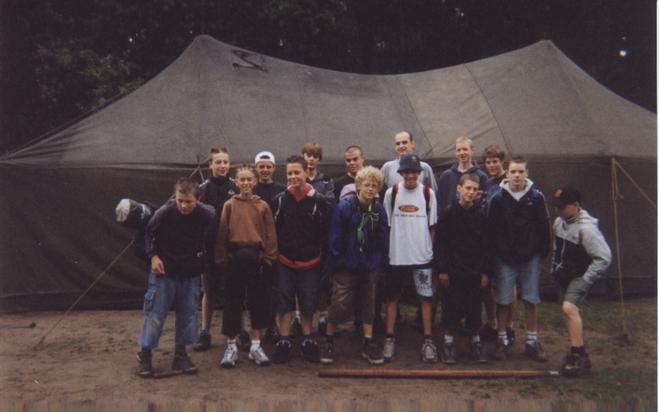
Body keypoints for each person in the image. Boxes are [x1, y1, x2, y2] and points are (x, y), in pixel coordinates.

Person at [136, 177, 215, 377]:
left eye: (189, 201)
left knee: (188, 315)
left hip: (190, 272)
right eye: (180, 200)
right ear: (175, 197)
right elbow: (149, 232)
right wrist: (153, 256)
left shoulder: (205, 214)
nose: (184, 206)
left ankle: (180, 355)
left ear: (198, 199)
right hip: (164, 272)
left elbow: (212, 230)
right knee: (155, 314)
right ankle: (145, 354)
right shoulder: (165, 211)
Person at [320, 166, 389, 365]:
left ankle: (368, 342)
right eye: (367, 184)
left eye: (374, 185)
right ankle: (328, 340)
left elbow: (383, 238)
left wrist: (378, 262)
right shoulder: (344, 207)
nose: (370, 188)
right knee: (339, 304)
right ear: (358, 186)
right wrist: (339, 263)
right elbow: (335, 238)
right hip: (346, 266)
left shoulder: (378, 210)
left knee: (369, 304)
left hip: (370, 266)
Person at [486, 156, 551, 362]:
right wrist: (497, 254)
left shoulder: (536, 197)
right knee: (503, 300)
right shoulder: (497, 198)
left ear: (527, 173)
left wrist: (540, 252)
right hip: (505, 259)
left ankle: (532, 341)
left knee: (530, 299)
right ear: (507, 173)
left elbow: (543, 226)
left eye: (520, 171)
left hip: (530, 258)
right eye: (513, 171)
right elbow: (491, 230)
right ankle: (502, 340)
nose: (516, 175)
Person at [216, 165, 278, 368]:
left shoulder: (262, 206)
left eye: (249, 179)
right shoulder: (229, 205)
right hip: (235, 259)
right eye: (241, 179)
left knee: (257, 301)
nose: (245, 183)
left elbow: (270, 234)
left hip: (256, 259)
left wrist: (268, 258)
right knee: (232, 302)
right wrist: (223, 258)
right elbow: (222, 233)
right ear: (236, 182)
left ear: (255, 181)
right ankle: (231, 346)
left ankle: (256, 346)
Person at [272, 155, 330, 363]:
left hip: (311, 263)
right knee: (284, 302)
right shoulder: (279, 200)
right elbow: (273, 231)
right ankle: (284, 340)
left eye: (297, 172)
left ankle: (307, 338)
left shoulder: (319, 201)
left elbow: (325, 232)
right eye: (290, 173)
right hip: (285, 262)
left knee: (308, 302)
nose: (293, 176)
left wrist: (323, 259)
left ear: (306, 172)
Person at [382, 153, 439, 363]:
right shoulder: (392, 192)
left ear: (420, 173)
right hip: (396, 256)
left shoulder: (428, 193)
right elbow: (386, 225)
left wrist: (428, 250)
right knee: (392, 298)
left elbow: (433, 226)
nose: (411, 176)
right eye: (406, 172)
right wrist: (389, 251)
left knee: (425, 298)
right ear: (401, 173)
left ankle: (428, 341)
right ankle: (389, 339)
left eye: (414, 172)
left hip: (421, 257)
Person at [549, 187, 611, 377]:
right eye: (556, 206)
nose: (557, 210)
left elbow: (604, 257)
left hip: (580, 275)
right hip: (564, 274)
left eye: (562, 207)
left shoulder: (587, 229)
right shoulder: (559, 222)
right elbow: (557, 248)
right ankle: (580, 353)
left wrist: (587, 278)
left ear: (576, 205)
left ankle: (577, 354)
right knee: (568, 313)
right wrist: (554, 267)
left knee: (569, 308)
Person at [436, 174, 489, 364]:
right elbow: (441, 244)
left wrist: (485, 272)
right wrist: (442, 270)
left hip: (474, 270)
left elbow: (486, 246)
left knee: (474, 308)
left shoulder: (481, 215)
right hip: (453, 270)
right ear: (459, 189)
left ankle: (476, 343)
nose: (471, 192)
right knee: (451, 307)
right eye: (468, 188)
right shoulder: (448, 213)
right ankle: (448, 344)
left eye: (474, 189)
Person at [194, 148, 237, 352]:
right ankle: (205, 331)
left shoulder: (236, 186)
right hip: (209, 248)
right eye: (218, 162)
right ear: (210, 164)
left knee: (233, 291)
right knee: (209, 291)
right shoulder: (202, 189)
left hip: (231, 248)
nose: (222, 166)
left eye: (225, 162)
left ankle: (236, 331)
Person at [480, 144, 516, 343]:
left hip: (506, 241)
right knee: (487, 284)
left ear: (502, 162)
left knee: (508, 285)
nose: (492, 165)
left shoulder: (510, 181)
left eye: (495, 161)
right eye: (488, 162)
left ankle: (509, 326)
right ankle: (492, 322)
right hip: (488, 240)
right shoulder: (487, 183)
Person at [437, 136, 488, 211]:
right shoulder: (446, 176)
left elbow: (485, 203)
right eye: (458, 150)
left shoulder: (481, 176)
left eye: (465, 149)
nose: (462, 153)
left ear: (472, 151)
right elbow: (440, 202)